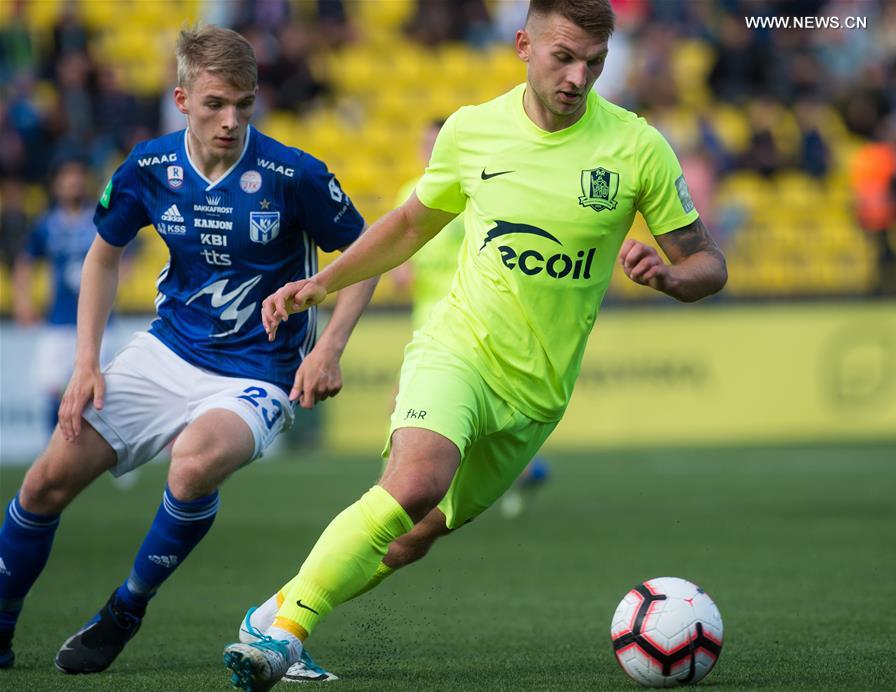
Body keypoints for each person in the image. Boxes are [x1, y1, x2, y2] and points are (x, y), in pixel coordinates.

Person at [224, 1, 727, 689]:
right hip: (456, 347)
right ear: (523, 45)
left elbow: (709, 265)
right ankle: (285, 638)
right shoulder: (471, 131)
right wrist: (320, 288)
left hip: (537, 392)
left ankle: (273, 611)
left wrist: (672, 277)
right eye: (563, 56)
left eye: (593, 62)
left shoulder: (636, 146)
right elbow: (406, 226)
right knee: (414, 482)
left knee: (413, 536)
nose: (578, 76)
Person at [0, 25, 377, 680]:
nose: (230, 120)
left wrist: (330, 348)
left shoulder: (293, 174)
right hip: (167, 352)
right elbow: (102, 255)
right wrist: (86, 364)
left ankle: (125, 608)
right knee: (43, 482)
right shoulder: (149, 167)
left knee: (193, 460)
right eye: (214, 105)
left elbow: (366, 256)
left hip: (259, 373)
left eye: (243, 103)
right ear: (181, 99)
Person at [391, 120, 550, 521]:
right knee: (426, 410)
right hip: (427, 320)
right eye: (424, 144)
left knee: (425, 406)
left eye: (435, 144)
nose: (428, 152)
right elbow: (400, 264)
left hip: (472, 320)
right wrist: (401, 271)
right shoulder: (408, 193)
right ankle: (521, 472)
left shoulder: (475, 191)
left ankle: (392, 498)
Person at [12, 158, 117, 435]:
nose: (73, 182)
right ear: (56, 185)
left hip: (99, 323)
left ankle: (111, 452)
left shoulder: (99, 219)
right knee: (52, 387)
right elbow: (26, 261)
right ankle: (54, 448)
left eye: (78, 176)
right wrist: (23, 300)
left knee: (102, 390)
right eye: (67, 177)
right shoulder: (46, 225)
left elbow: (121, 255)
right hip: (58, 320)